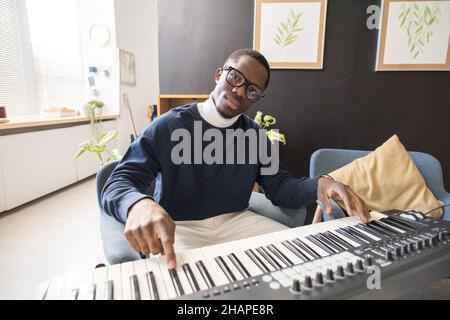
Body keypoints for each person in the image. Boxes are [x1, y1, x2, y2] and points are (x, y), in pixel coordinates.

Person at [102, 48, 369, 269]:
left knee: (302, 261)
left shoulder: (254, 136)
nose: (241, 92)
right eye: (235, 78)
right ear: (220, 74)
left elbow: (280, 187)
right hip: (180, 226)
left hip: (237, 222)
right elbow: (118, 182)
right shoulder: (169, 126)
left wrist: (319, 185)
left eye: (253, 90)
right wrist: (139, 204)